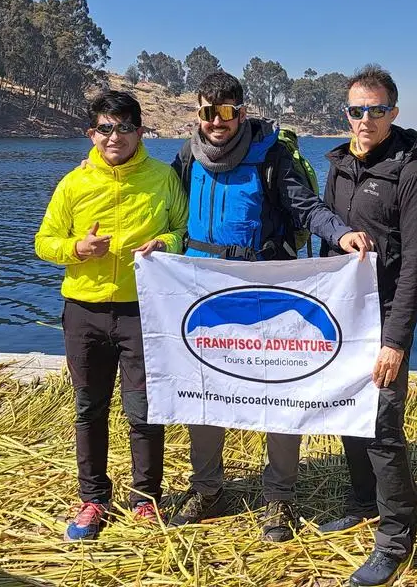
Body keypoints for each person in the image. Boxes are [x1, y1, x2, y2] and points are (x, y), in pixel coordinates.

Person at [167, 70, 373, 542]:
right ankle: (208, 488)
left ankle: (278, 497)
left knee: (279, 393)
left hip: (268, 290)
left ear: (242, 111)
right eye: (207, 112)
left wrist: (339, 233)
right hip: (203, 293)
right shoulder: (185, 157)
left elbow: (305, 209)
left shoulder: (271, 157)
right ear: (197, 114)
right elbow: (167, 210)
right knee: (203, 392)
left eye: (227, 112)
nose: (217, 122)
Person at [34, 91, 188, 542]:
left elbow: (182, 230)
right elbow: (44, 242)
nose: (114, 136)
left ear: (141, 131)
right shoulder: (73, 184)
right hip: (83, 311)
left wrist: (165, 244)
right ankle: (94, 499)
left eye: (123, 127)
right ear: (91, 134)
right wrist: (76, 250)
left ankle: (145, 499)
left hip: (143, 310)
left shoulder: (162, 178)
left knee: (143, 410)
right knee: (89, 407)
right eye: (105, 127)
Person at [315, 65, 417, 587]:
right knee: (349, 416)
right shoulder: (339, 166)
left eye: (376, 110)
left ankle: (395, 539)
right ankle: (363, 502)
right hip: (343, 316)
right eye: (355, 110)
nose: (364, 120)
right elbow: (325, 229)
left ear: (394, 113)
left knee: (384, 427)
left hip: (384, 318)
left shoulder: (411, 176)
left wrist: (395, 342)